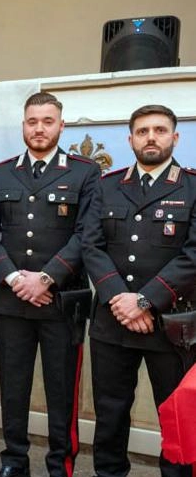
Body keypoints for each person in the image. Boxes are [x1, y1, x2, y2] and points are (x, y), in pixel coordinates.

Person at [0, 93, 100, 477]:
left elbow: (87, 234)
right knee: (13, 387)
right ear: (23, 126)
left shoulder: (84, 172)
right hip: (11, 298)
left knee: (61, 389)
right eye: (32, 121)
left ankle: (59, 464)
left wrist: (47, 276)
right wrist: (14, 277)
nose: (39, 128)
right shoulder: (0, 173)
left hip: (60, 300)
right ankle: (14, 461)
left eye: (48, 121)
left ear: (61, 126)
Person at [83, 104, 196, 477]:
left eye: (160, 130)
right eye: (143, 131)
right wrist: (123, 301)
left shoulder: (193, 187)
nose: (151, 137)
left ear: (175, 137)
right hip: (112, 323)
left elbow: (193, 254)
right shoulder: (107, 185)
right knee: (111, 412)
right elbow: (91, 246)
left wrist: (145, 301)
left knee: (175, 414)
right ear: (130, 138)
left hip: (170, 324)